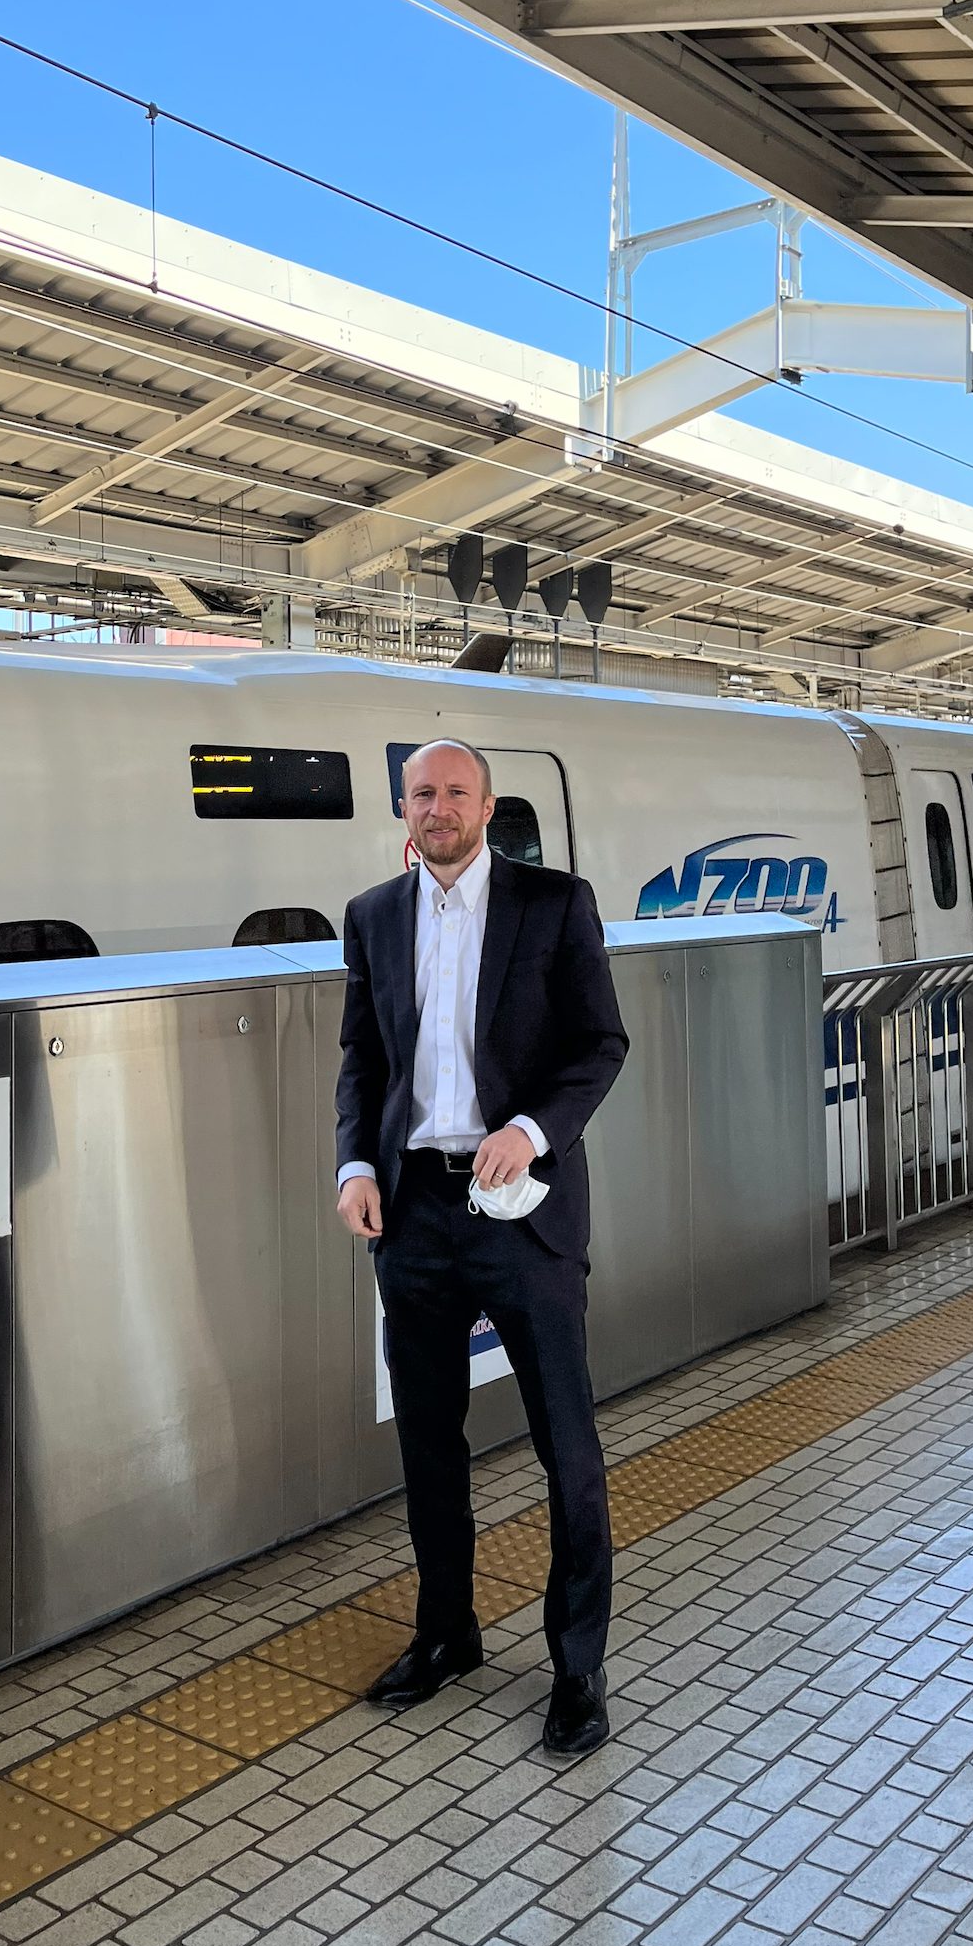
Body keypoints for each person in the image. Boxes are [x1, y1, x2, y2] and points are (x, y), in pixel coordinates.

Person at [335, 739, 629, 1759]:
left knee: (565, 1443)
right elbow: (363, 1059)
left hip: (523, 1210)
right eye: (422, 792)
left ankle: (577, 1664)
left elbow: (600, 1043)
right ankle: (446, 1628)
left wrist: (532, 1129)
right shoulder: (373, 915)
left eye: (455, 790)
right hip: (413, 1211)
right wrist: (353, 1167)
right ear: (403, 807)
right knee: (427, 1439)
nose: (438, 806)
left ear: (486, 804)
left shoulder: (554, 902)